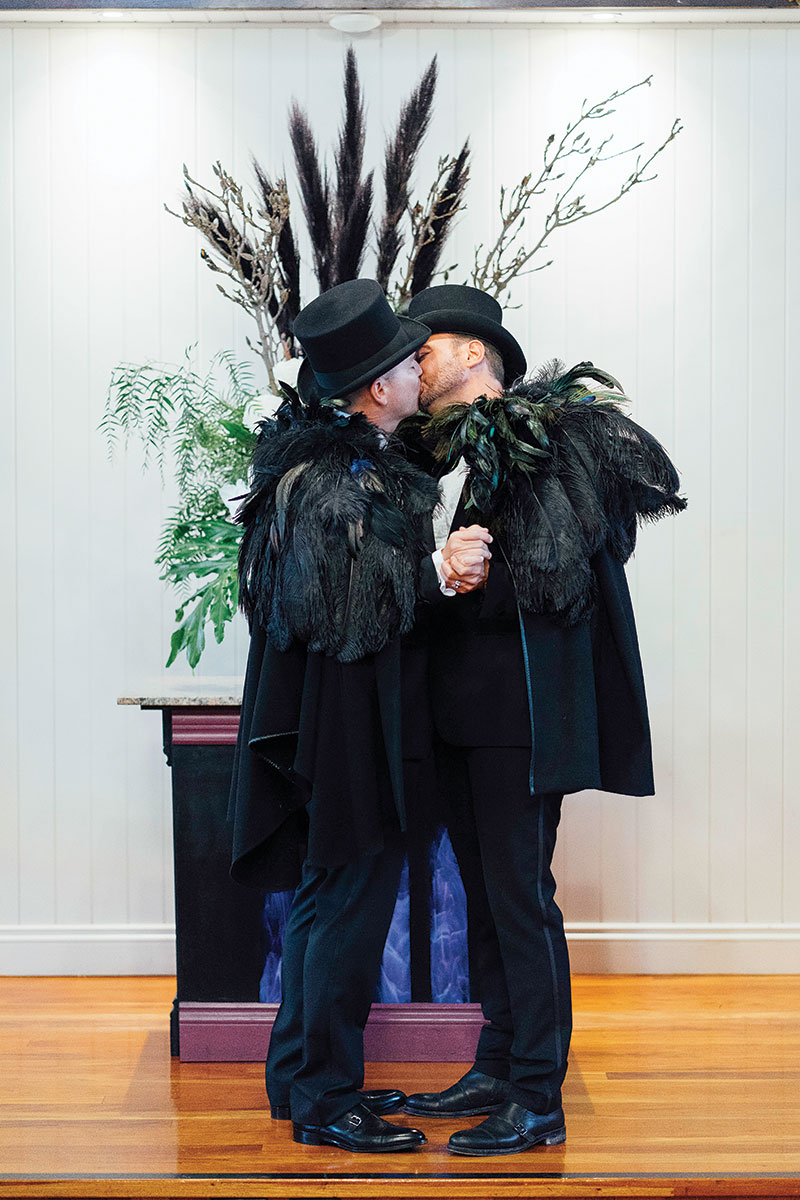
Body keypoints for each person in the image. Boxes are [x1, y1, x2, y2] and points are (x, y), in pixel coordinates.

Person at [400, 284, 686, 1157]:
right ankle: (496, 1059)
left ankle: (539, 1094)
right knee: (483, 898)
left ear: (477, 354)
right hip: (454, 714)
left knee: (521, 897)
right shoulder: (431, 457)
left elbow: (574, 564)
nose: (416, 359)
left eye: (429, 345)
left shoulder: (548, 441)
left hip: (519, 715)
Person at [227, 278, 486, 1153]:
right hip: (348, 727)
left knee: (327, 900)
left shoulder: (351, 462)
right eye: (411, 363)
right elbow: (347, 608)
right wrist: (438, 572)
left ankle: (302, 1077)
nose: (421, 369)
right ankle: (323, 1099)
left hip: (345, 720)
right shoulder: (335, 480)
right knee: (345, 904)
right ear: (379, 389)